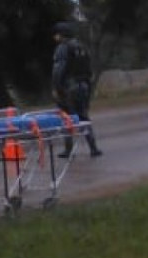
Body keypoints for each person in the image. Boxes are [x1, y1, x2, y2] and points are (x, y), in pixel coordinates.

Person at [53, 22, 103, 158]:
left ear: (61, 35)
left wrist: (58, 88)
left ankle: (68, 150)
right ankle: (93, 147)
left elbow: (59, 70)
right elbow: (88, 69)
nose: (55, 37)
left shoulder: (63, 48)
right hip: (83, 86)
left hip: (70, 87)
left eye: (57, 34)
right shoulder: (81, 47)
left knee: (67, 118)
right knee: (84, 116)